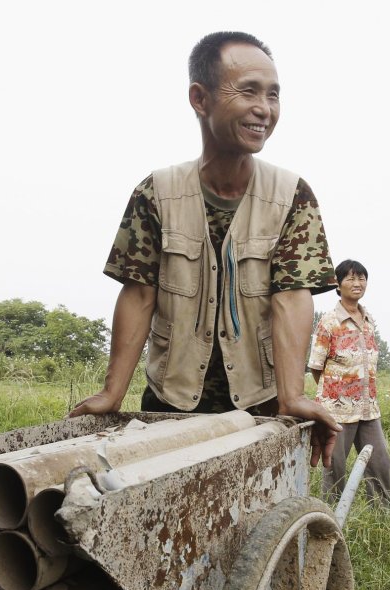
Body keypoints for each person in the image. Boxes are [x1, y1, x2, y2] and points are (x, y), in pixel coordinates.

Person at [67, 31, 341, 466]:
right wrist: (111, 393)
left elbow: (291, 297)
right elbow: (139, 293)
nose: (264, 109)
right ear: (200, 98)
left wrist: (292, 396)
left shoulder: (292, 194)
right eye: (248, 91)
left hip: (258, 406)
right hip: (169, 403)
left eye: (273, 95)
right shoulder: (156, 192)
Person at [308, 259, 390, 505]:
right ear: (338, 284)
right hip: (337, 411)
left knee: (380, 463)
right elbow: (316, 367)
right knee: (335, 467)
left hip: (368, 409)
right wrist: (335, 394)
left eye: (362, 278)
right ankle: (330, 518)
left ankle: (382, 517)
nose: (357, 283)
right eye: (351, 278)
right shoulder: (329, 321)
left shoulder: (368, 321)